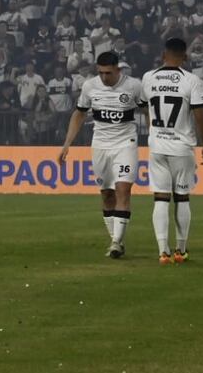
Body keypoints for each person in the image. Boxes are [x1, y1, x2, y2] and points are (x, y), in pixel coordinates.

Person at [58, 52, 144, 258]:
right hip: (100, 145)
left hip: (126, 144)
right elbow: (79, 113)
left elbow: (148, 109)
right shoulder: (90, 86)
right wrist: (66, 144)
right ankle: (117, 239)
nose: (104, 77)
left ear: (118, 69)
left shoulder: (133, 86)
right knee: (107, 194)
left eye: (108, 72)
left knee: (123, 190)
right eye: (101, 73)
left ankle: (116, 242)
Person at [141, 38, 203, 265]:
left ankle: (163, 251)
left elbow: (145, 105)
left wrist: (153, 126)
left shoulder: (148, 77)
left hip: (157, 146)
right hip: (181, 147)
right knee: (182, 198)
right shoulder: (191, 80)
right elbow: (200, 116)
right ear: (186, 56)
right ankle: (181, 250)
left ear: (163, 55)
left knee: (160, 199)